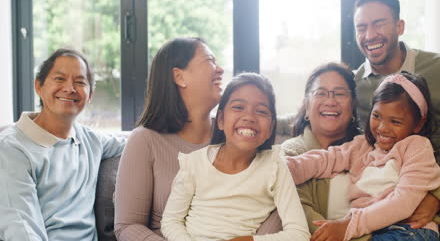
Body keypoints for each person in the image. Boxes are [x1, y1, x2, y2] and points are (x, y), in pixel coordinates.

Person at [114, 38, 280, 240]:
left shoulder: (240, 134)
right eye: (210, 60)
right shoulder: (145, 140)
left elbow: (274, 205)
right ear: (179, 76)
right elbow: (127, 226)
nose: (220, 70)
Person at [281, 63, 440, 240]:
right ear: (306, 104)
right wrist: (282, 169)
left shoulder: (413, 145)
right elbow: (324, 160)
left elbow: (419, 185)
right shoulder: (358, 145)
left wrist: (436, 198)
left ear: (353, 104)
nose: (383, 128)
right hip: (365, 232)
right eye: (321, 93)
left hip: (406, 231)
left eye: (339, 93)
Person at [353, 0, 440, 239]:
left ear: (400, 26)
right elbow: (325, 115)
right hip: (390, 185)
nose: (369, 35)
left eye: (378, 24)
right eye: (361, 27)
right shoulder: (356, 85)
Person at [161, 73, 310, 241]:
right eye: (239, 107)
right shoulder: (194, 163)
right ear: (221, 120)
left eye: (261, 111)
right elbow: (170, 221)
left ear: (270, 129)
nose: (249, 117)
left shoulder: (275, 166)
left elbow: (299, 234)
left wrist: (249, 240)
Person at [0, 48, 126, 240]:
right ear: (38, 86)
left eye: (80, 82)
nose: (70, 88)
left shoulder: (91, 140)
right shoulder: (12, 148)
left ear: (90, 95)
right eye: (59, 79)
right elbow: (21, 229)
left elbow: (137, 144)